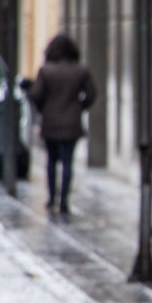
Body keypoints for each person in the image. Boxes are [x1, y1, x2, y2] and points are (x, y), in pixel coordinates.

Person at [28, 33, 97, 214]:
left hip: (50, 122)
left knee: (51, 160)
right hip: (71, 123)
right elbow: (91, 94)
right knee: (68, 161)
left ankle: (52, 197)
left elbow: (35, 95)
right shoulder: (80, 70)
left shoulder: (46, 71)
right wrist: (79, 107)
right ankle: (64, 199)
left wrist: (44, 109)